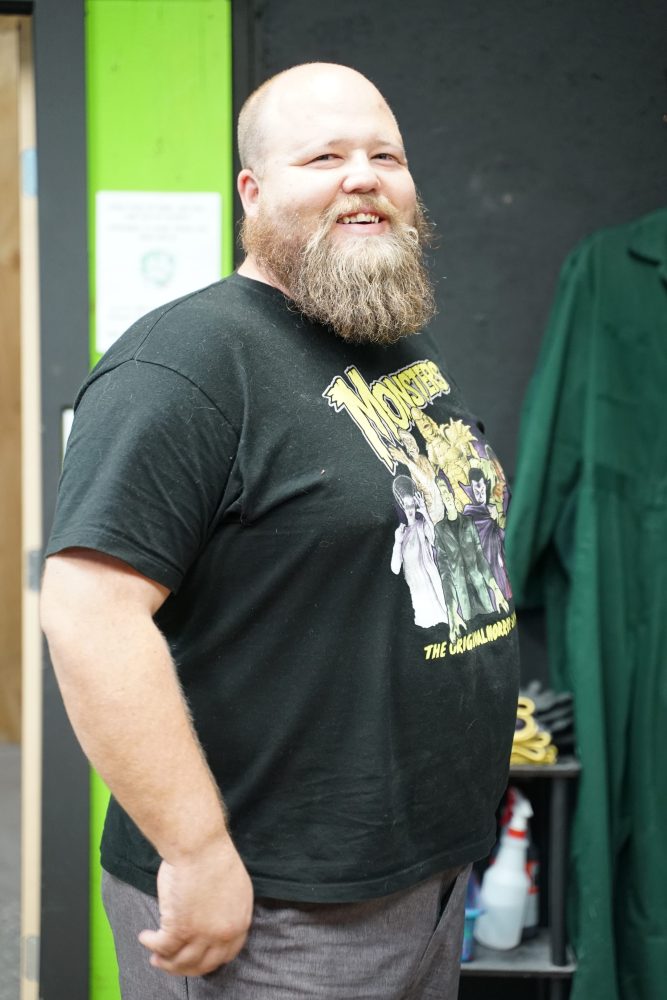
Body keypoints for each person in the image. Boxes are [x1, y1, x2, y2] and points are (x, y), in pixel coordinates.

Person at [40, 62, 520, 1000]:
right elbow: (89, 612)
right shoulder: (185, 363)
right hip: (276, 912)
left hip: (413, 881)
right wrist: (197, 850)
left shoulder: (384, 338)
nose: (363, 175)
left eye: (385, 154)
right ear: (252, 193)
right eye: (324, 155)